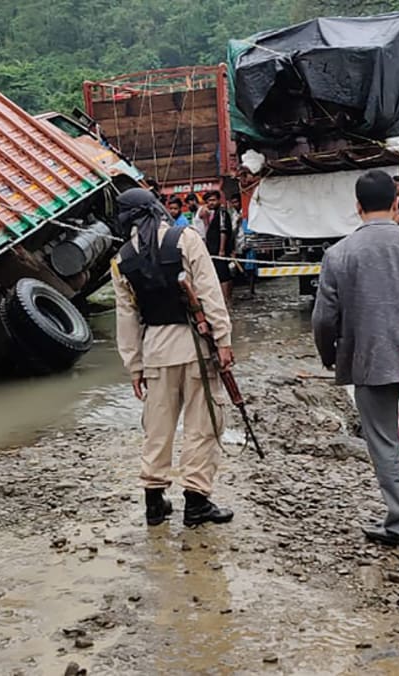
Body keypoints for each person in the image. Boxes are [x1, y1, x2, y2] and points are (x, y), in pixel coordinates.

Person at [311, 169, 399, 550]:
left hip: (369, 362)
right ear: (395, 202)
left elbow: (324, 317)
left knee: (384, 443)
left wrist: (330, 355)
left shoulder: (338, 255)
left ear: (357, 207)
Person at [111, 188, 235, 528]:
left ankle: (154, 500)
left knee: (157, 426)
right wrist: (223, 340)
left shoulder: (122, 259)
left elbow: (127, 319)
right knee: (202, 424)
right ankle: (196, 502)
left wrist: (134, 366)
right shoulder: (186, 238)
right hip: (196, 346)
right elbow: (210, 293)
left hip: (154, 351)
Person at [199, 190, 235, 310]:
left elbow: (223, 231)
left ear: (219, 200)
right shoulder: (213, 213)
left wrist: (221, 249)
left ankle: (226, 300)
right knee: (220, 274)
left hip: (219, 250)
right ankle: (224, 300)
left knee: (223, 274)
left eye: (213, 200)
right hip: (213, 249)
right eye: (208, 201)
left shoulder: (222, 212)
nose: (211, 203)